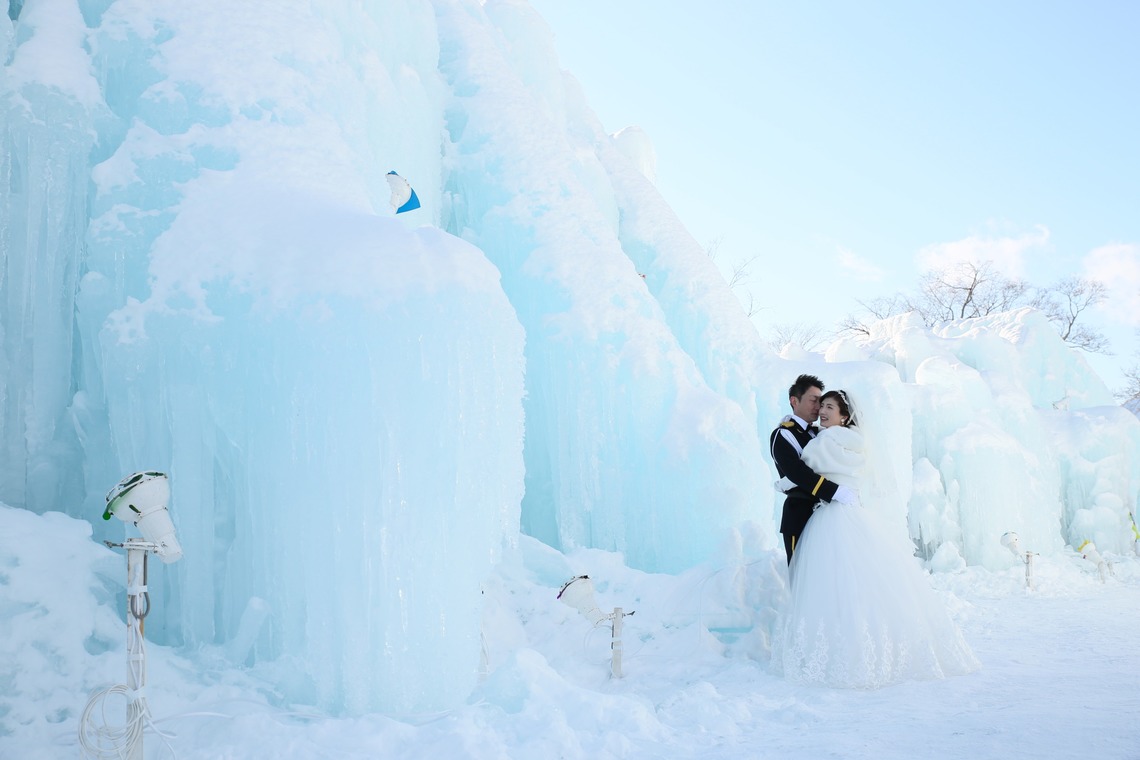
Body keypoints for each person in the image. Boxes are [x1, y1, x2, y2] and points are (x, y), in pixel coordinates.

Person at [773, 390, 980, 688]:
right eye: (821, 406)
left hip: (831, 516)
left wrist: (781, 483)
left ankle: (835, 647)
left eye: (829, 407)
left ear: (844, 416)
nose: (822, 412)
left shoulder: (826, 440)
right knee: (864, 581)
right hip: (855, 512)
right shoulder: (859, 442)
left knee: (828, 584)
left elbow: (802, 468)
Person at [769, 375, 855, 564]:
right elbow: (796, 472)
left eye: (822, 402)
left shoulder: (820, 432)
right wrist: (835, 491)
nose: (819, 407)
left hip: (828, 516)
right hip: (800, 515)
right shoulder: (783, 434)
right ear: (794, 401)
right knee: (802, 574)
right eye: (814, 401)